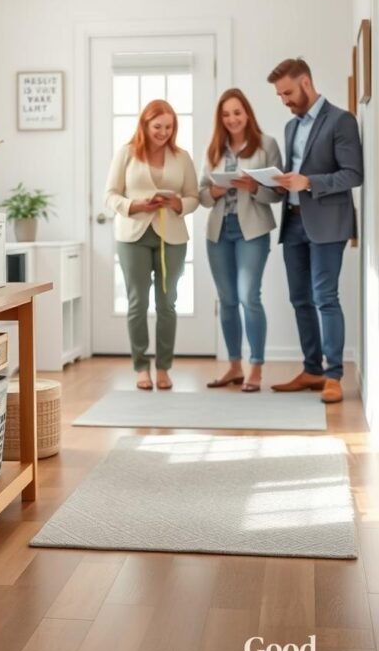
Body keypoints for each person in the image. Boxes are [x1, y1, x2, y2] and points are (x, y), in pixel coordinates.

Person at [267, 57, 363, 403]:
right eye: (280, 95)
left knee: (326, 297)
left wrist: (309, 182)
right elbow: (295, 175)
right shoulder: (291, 127)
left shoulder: (341, 120)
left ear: (306, 83)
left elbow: (353, 174)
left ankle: (334, 374)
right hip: (292, 221)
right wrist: (279, 184)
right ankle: (312, 369)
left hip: (327, 224)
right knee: (300, 299)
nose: (285, 100)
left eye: (288, 92)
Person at [105, 99, 199, 390]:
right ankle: (141, 367)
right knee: (138, 303)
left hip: (172, 236)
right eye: (158, 126)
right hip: (133, 235)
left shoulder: (182, 157)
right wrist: (134, 204)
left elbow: (194, 196)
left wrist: (178, 202)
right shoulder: (126, 153)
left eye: (169, 127)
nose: (163, 132)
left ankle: (164, 367)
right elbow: (110, 195)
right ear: (144, 124)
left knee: (167, 303)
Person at [199, 89, 282, 392]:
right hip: (219, 232)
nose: (232, 119)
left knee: (249, 297)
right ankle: (234, 366)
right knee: (228, 301)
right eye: (226, 114)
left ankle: (256, 366)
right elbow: (202, 195)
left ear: (247, 113)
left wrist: (254, 187)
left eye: (237, 112)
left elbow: (277, 193)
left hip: (253, 231)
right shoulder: (214, 150)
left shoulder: (266, 146)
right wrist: (214, 192)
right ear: (220, 119)